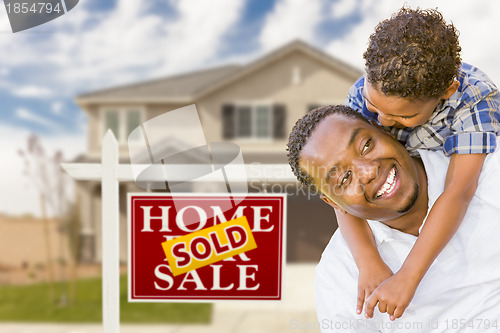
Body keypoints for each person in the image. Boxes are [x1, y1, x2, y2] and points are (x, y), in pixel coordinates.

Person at [340, 7, 500, 320]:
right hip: (401, 191)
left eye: (403, 116)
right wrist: (368, 260)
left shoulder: (475, 99)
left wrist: (408, 277)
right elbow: (338, 184)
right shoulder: (362, 93)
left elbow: (459, 190)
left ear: (446, 92)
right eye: (375, 107)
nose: (382, 120)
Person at [287, 105, 500, 332]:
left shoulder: (488, 169)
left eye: (366, 146)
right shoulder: (339, 275)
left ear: (387, 131)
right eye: (344, 178)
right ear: (334, 204)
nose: (368, 171)